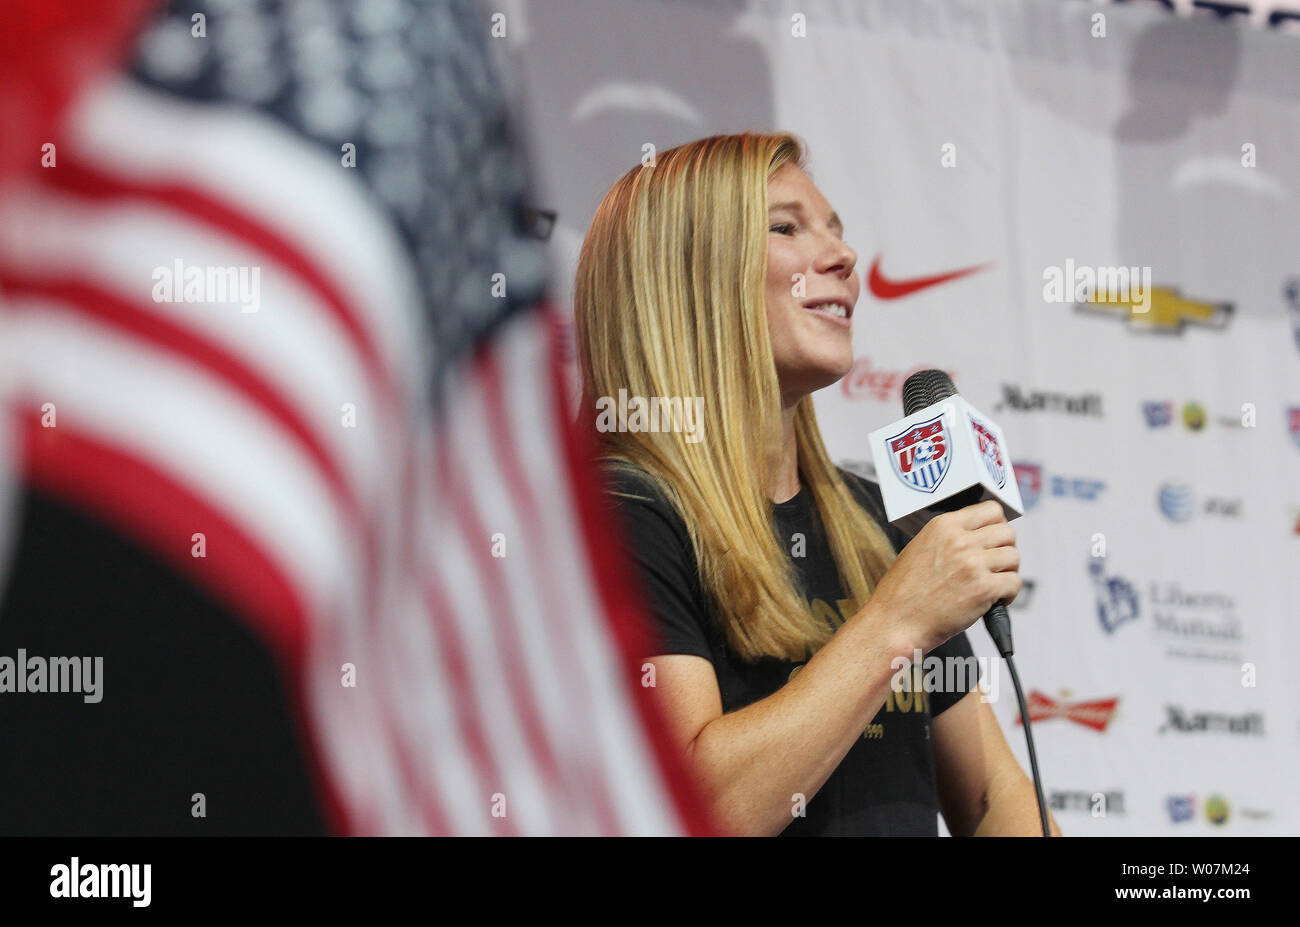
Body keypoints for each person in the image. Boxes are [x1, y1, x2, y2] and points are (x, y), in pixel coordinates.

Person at [573, 131, 1062, 837]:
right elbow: (691, 808)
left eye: (836, 229)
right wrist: (896, 622)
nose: (844, 256)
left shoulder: (875, 523)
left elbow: (992, 798)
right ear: (686, 275)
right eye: (786, 227)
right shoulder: (622, 514)